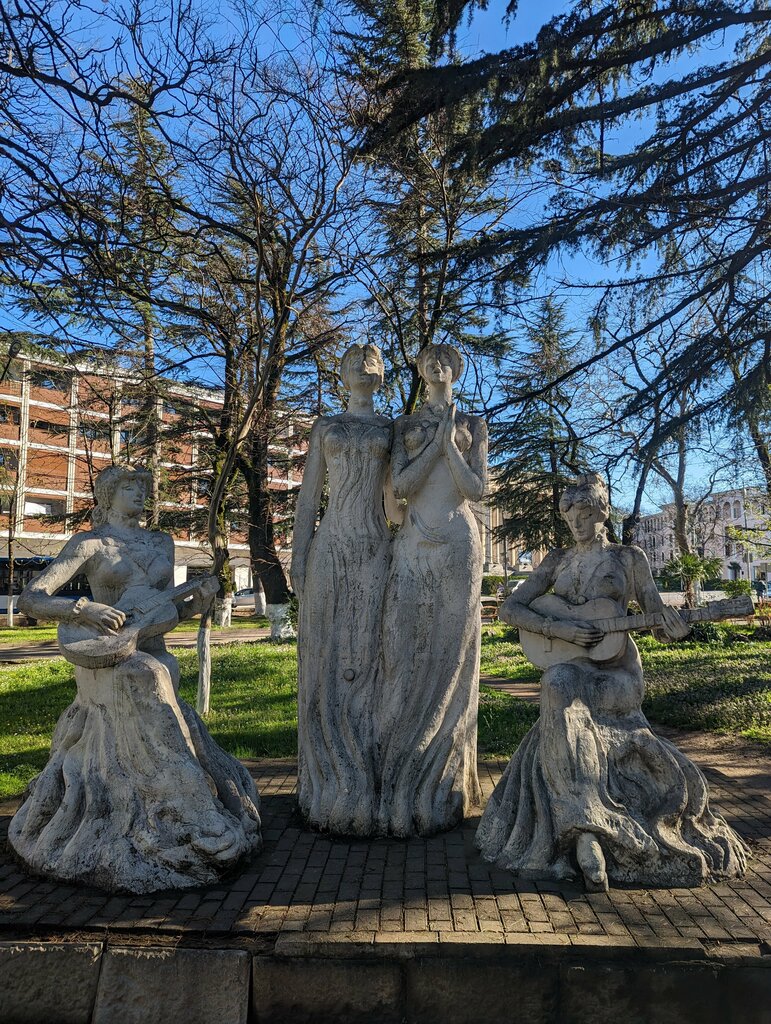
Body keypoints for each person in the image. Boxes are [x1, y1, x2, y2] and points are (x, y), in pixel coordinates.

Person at [476, 473, 748, 891]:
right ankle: (584, 828)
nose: (577, 524)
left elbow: (656, 617)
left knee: (572, 702)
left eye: (585, 514)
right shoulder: (557, 560)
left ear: (601, 513)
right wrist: (558, 629)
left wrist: (673, 628)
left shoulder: (628, 558)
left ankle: (593, 830)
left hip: (617, 670)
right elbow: (512, 608)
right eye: (570, 517)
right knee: (557, 685)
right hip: (572, 665)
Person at [11, 464, 261, 893]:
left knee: (156, 669)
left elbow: (164, 612)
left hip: (153, 651)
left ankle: (186, 804)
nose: (140, 494)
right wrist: (84, 610)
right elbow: (30, 598)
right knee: (145, 675)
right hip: (104, 660)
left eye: (144, 488)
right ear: (108, 496)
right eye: (130, 487)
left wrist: (197, 603)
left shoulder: (161, 542)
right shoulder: (89, 543)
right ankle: (185, 811)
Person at [378, 343, 488, 836]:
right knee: (403, 646)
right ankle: (402, 757)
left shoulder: (475, 425)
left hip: (461, 541)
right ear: (420, 372)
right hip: (414, 538)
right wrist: (435, 442)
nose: (435, 368)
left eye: (444, 362)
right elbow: (400, 484)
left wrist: (449, 444)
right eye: (427, 362)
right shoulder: (405, 426)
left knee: (453, 647)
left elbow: (477, 489)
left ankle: (446, 770)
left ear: (456, 370)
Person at [291, 343, 399, 835]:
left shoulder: (390, 429)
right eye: (353, 360)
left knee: (368, 653)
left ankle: (368, 774)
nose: (362, 367)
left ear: (382, 376)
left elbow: (398, 500)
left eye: (371, 362)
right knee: (327, 653)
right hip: (330, 546)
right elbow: (309, 497)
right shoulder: (326, 427)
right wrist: (298, 556)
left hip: (376, 545)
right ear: (341, 373)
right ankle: (326, 780)